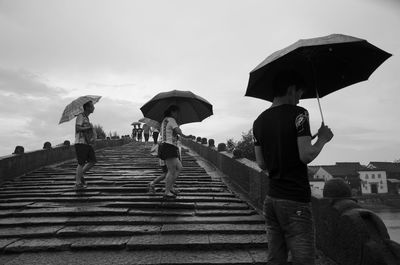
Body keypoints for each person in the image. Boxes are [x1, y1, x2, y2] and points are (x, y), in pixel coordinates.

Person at [252, 70, 333, 265]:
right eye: (298, 93)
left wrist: (308, 138)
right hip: (295, 200)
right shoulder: (299, 115)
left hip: (271, 200)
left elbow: (262, 163)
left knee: (276, 257)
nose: (299, 99)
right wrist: (322, 139)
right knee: (303, 258)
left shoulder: (258, 121)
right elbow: (306, 155)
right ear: (290, 89)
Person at [159, 105, 188, 199]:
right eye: (176, 112)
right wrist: (185, 135)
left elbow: (170, 133)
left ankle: (170, 187)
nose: (177, 114)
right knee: (171, 171)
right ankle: (167, 191)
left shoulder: (164, 120)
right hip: (169, 147)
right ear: (172, 112)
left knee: (179, 167)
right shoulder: (171, 120)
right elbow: (178, 131)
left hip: (166, 146)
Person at [74, 101, 97, 190]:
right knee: (81, 163)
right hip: (80, 143)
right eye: (92, 106)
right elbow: (78, 128)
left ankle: (79, 175)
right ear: (87, 107)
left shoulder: (86, 117)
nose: (94, 108)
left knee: (93, 161)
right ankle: (77, 183)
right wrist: (89, 127)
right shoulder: (81, 116)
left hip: (87, 143)